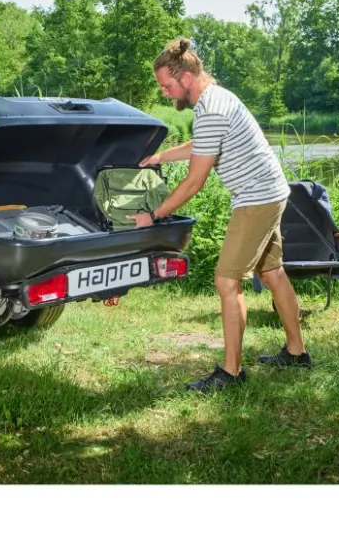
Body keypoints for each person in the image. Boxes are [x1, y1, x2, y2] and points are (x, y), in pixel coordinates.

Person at [130, 37, 313, 392]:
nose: (165, 93)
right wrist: (161, 156)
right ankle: (296, 352)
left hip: (256, 198)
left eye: (167, 86)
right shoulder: (216, 98)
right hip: (271, 191)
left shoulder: (211, 108)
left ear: (185, 77)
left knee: (227, 282)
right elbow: (202, 144)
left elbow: (194, 182)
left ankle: (231, 373)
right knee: (272, 272)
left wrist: (155, 215)